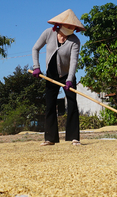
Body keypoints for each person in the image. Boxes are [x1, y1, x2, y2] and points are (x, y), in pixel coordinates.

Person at [32, 9, 84, 146]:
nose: (72, 29)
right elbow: (35, 48)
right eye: (69, 26)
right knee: (50, 105)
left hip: (67, 76)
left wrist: (69, 79)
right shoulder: (48, 33)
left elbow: (73, 62)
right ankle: (50, 138)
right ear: (61, 25)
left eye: (73, 27)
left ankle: (74, 138)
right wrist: (36, 66)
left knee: (72, 103)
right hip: (51, 75)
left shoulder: (75, 41)